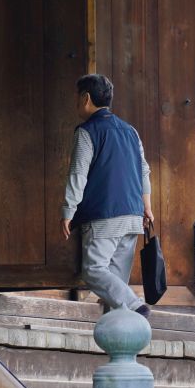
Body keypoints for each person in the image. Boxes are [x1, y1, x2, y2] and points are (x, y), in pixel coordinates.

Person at [59, 73, 154, 315]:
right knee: (115, 285)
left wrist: (68, 211)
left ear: (86, 98)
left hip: (104, 218)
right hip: (133, 217)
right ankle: (120, 339)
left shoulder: (87, 132)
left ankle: (135, 306)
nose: (75, 103)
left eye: (76, 98)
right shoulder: (131, 131)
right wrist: (147, 207)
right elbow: (144, 171)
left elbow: (78, 174)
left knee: (94, 270)